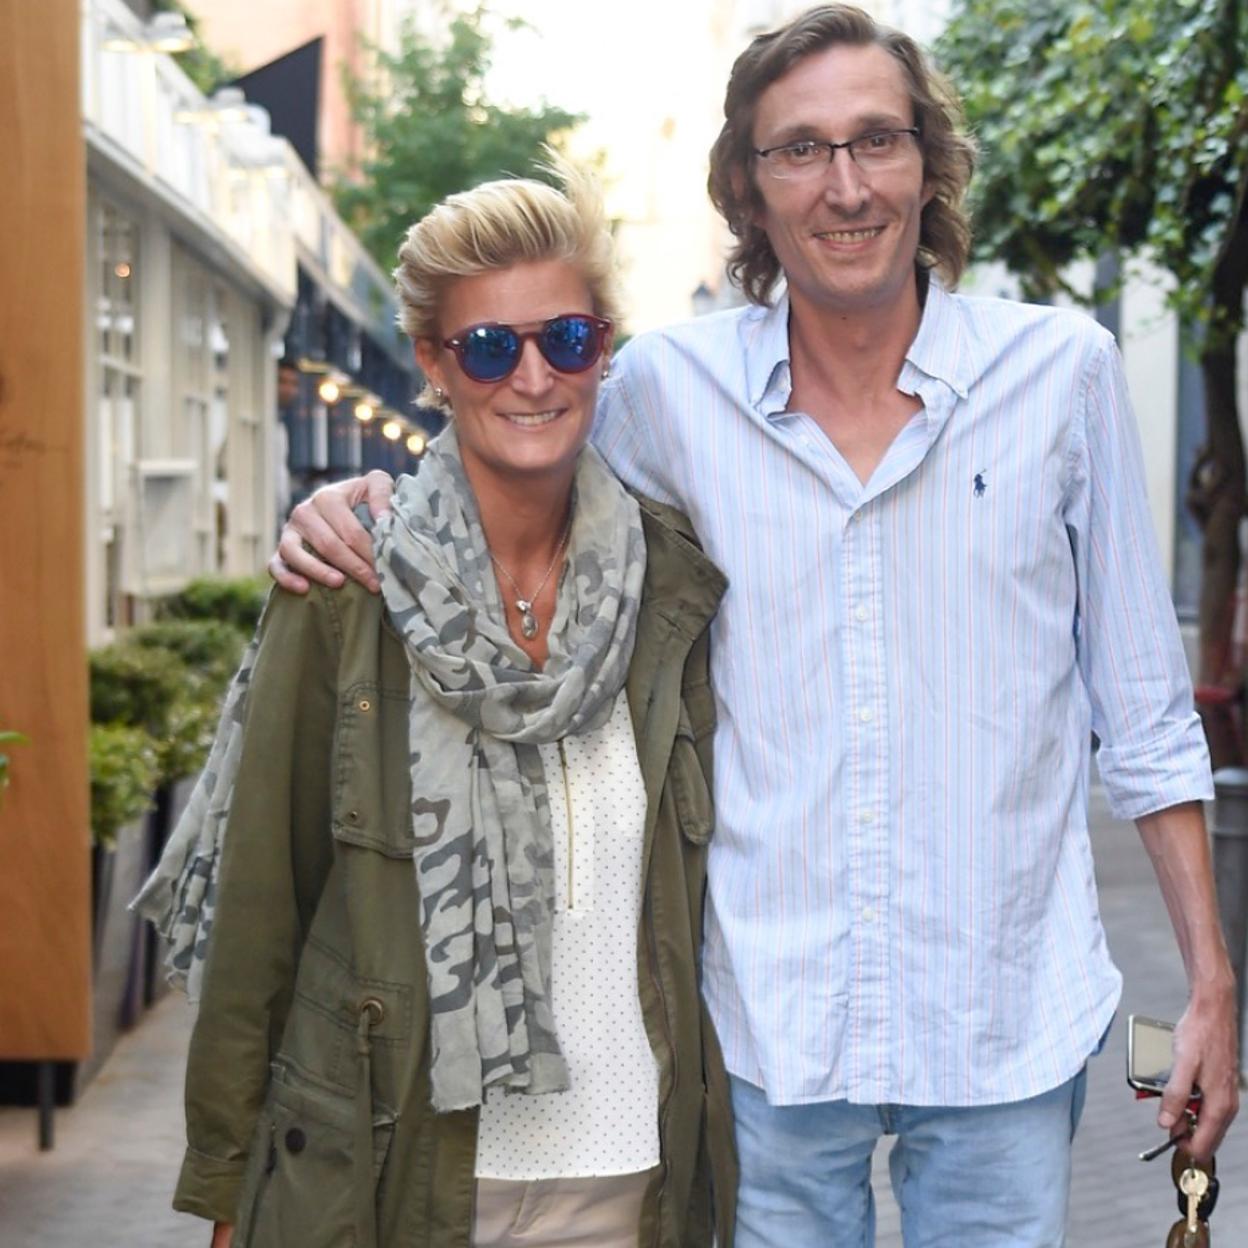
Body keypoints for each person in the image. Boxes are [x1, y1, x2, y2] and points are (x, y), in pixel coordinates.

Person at [268, 6, 1239, 1245]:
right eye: (800, 150)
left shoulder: (1065, 375)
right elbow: (512, 490)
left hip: (1004, 1015)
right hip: (766, 1026)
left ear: (928, 164)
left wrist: (1210, 985)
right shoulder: (667, 394)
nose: (847, 185)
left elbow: (1144, 714)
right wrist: (362, 506)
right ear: (748, 186)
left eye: (877, 140)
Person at [144, 167, 735, 1248]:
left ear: (604, 349)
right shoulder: (346, 592)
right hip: (400, 1176)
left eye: (566, 340)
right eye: (489, 347)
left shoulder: (670, 590)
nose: (533, 378)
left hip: (633, 1181)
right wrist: (227, 1187)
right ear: (433, 363)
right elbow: (262, 908)